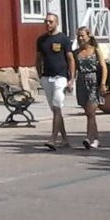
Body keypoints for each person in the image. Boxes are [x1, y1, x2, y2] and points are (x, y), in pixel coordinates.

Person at [35, 12, 75, 150]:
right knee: (55, 110)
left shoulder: (63, 39)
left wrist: (71, 78)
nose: (48, 24)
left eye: (50, 22)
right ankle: (65, 139)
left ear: (56, 22)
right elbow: (38, 59)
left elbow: (70, 58)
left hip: (60, 77)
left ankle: (52, 139)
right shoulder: (41, 40)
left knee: (57, 107)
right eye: (46, 21)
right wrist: (40, 75)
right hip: (47, 78)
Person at [74, 26, 108, 149]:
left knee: (91, 111)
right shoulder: (76, 52)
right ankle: (96, 138)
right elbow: (73, 68)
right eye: (78, 36)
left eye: (82, 35)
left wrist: (103, 83)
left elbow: (104, 67)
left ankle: (89, 138)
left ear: (88, 36)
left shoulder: (95, 50)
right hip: (81, 82)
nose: (80, 38)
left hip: (93, 81)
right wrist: (70, 81)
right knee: (89, 113)